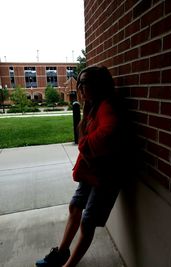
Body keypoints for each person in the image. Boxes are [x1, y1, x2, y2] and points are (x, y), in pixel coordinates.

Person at [35, 65, 128, 267]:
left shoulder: (106, 106)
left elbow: (109, 133)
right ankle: (61, 254)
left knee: (88, 222)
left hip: (106, 177)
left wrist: (84, 144)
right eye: (80, 83)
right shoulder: (92, 106)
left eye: (86, 83)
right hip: (92, 171)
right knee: (75, 206)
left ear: (99, 85)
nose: (81, 87)